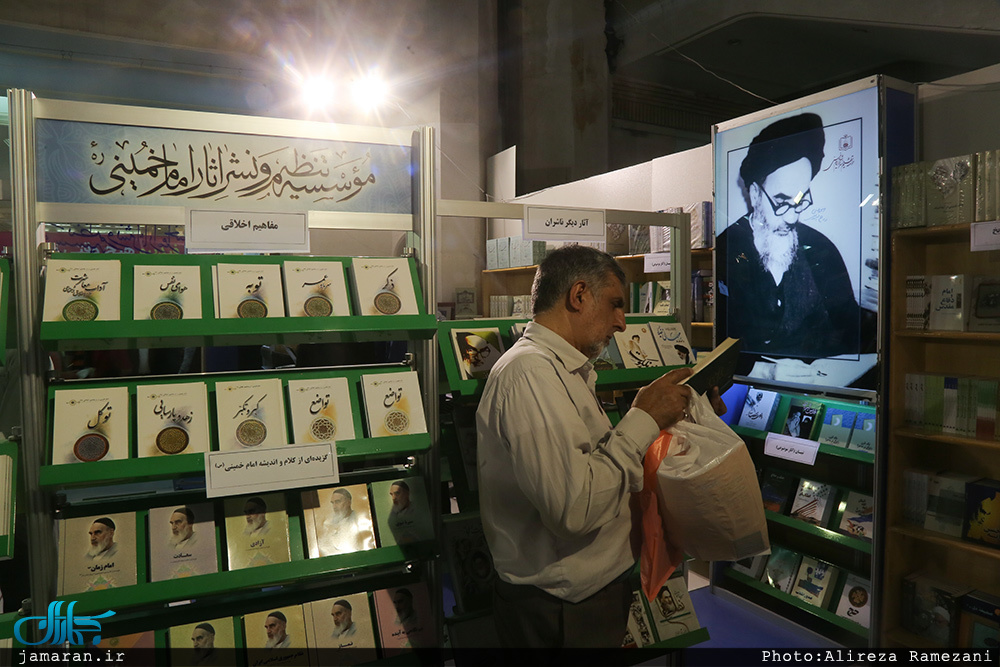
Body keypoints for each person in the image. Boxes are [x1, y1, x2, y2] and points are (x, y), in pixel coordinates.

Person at [476, 245, 722, 649]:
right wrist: (643, 418)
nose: (622, 323)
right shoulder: (530, 374)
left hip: (583, 597)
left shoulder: (561, 369)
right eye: (615, 304)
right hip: (561, 608)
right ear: (579, 295)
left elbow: (595, 465)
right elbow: (574, 510)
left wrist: (663, 416)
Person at [716, 112, 871, 362]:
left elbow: (850, 324)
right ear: (755, 194)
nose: (791, 218)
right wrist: (763, 370)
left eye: (800, 201)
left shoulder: (820, 248)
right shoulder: (728, 249)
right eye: (781, 202)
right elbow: (722, 337)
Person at [319, 488, 373, 555]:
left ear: (348, 502)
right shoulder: (329, 524)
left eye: (338, 502)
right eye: (333, 503)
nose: (334, 507)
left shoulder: (360, 521)